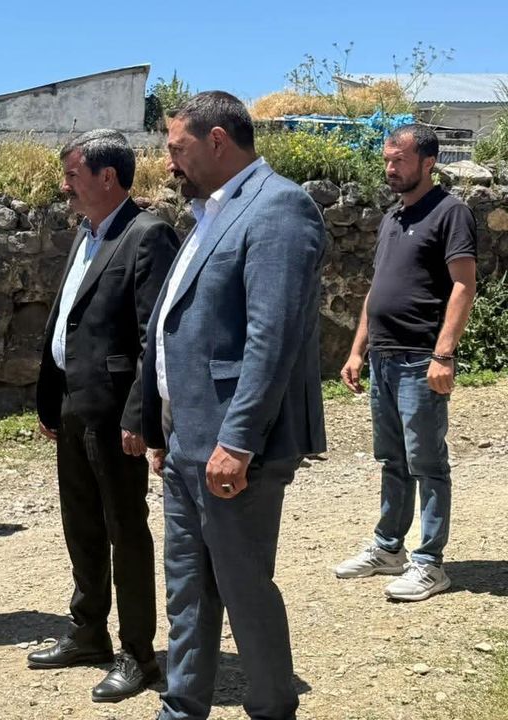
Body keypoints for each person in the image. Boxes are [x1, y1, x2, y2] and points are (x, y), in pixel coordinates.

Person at [142, 92, 326, 720]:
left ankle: (273, 708)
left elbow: (272, 337)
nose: (169, 162)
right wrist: (160, 423)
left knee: (243, 589)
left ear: (217, 140)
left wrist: (239, 440)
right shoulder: (209, 213)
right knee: (187, 588)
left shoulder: (279, 208)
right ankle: (182, 707)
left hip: (233, 445)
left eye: (177, 147)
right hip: (187, 437)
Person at [30, 130, 180, 702]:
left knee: (125, 529)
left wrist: (140, 415)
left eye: (72, 176)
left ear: (107, 177)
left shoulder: (147, 234)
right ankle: (87, 631)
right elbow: (69, 322)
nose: (64, 186)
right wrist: (52, 398)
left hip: (117, 414)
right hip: (74, 405)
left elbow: (153, 336)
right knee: (81, 525)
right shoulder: (87, 233)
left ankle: (138, 653)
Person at [334, 124, 477, 601]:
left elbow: (464, 285)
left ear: (428, 162)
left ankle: (430, 562)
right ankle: (388, 548)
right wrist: (358, 349)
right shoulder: (393, 216)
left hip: (421, 360)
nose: (390, 168)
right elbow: (377, 289)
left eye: (400, 160)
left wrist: (444, 354)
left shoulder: (451, 213)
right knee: (391, 459)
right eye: (387, 160)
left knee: (427, 463)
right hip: (384, 359)